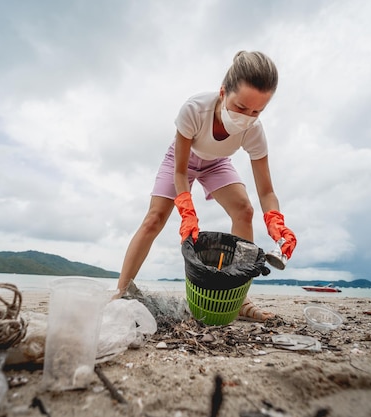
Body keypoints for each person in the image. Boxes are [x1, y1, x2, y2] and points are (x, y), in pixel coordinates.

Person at [116, 51, 297, 321]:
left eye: (257, 111)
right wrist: (187, 211)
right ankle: (119, 292)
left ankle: (239, 300)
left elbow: (267, 192)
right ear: (223, 93)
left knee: (244, 211)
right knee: (154, 218)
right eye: (240, 107)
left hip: (216, 163)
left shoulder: (254, 131)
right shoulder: (194, 109)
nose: (247, 117)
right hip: (182, 160)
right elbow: (179, 172)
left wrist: (276, 221)